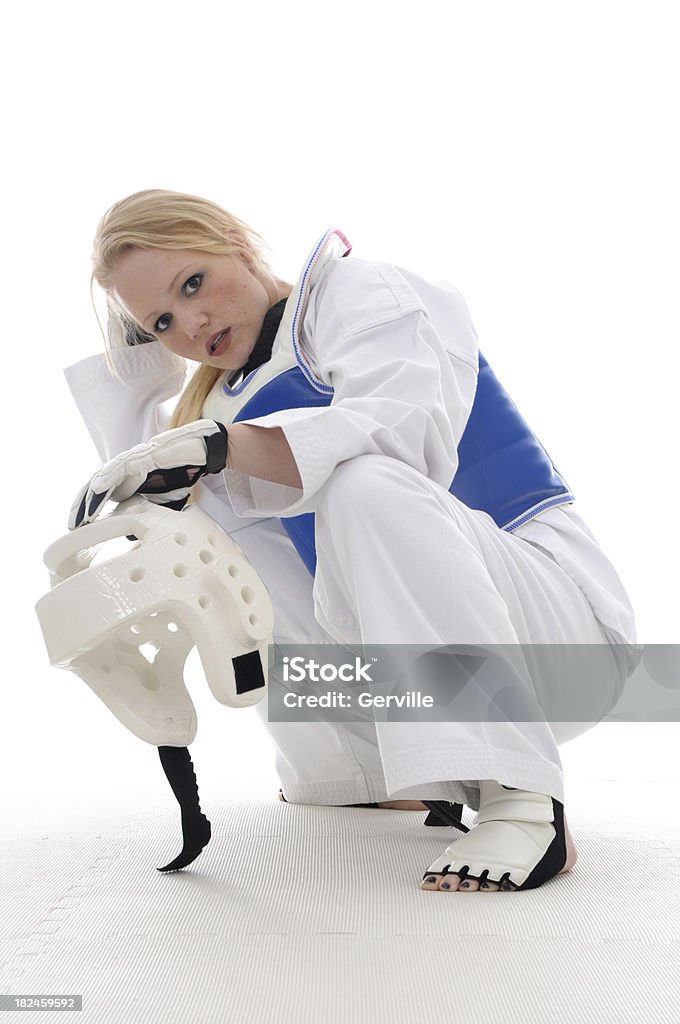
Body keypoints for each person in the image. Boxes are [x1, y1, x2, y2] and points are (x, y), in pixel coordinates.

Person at [64, 189, 639, 892]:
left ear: (235, 243)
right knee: (200, 529)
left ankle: (520, 795)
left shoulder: (363, 292)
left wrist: (222, 444)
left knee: (366, 482)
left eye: (193, 284)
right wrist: (146, 388)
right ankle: (354, 773)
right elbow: (158, 510)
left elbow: (401, 437)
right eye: (161, 321)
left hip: (561, 640)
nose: (191, 322)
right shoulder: (221, 402)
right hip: (418, 686)